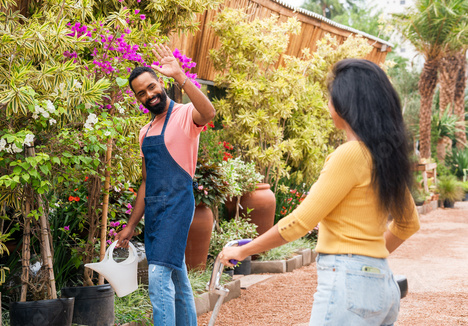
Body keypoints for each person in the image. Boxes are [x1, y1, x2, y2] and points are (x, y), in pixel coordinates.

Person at [219, 59, 421, 326]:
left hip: (348, 283)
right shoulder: (386, 157)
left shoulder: (349, 155)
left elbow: (300, 222)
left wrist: (245, 251)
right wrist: (368, 259)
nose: (328, 105)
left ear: (348, 106)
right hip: (383, 285)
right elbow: (408, 224)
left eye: (331, 98)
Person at [116, 44, 215, 326]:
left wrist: (181, 76)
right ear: (138, 98)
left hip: (178, 207)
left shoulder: (186, 114)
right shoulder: (144, 132)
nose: (149, 95)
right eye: (141, 93)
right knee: (177, 275)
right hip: (155, 214)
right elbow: (147, 182)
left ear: (161, 83)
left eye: (151, 86)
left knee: (158, 276)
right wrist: (132, 224)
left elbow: (208, 113)